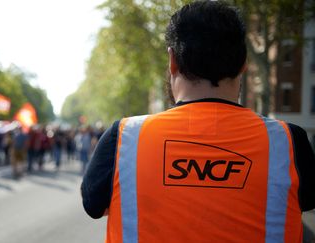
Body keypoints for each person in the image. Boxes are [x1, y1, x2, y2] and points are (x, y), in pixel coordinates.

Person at [81, 1, 315, 242]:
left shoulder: (122, 138)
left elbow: (93, 205)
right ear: (245, 63)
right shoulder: (289, 142)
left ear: (172, 61)